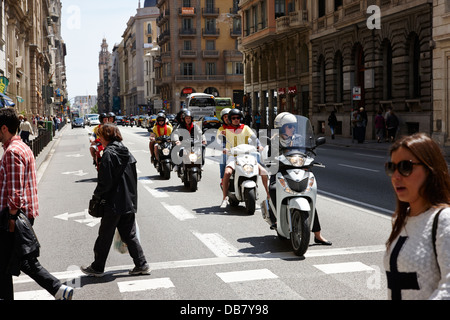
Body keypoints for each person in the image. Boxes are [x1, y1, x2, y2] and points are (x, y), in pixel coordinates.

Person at [0, 108, 73, 300]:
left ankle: (58, 288)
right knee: (11, 262)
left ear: (4, 128)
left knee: (17, 262)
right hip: (22, 215)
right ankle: (58, 289)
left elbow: (15, 191)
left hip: (13, 216)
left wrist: (11, 221)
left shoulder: (12, 152)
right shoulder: (23, 147)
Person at [384, 133, 450, 300]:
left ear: (430, 170)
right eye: (392, 167)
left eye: (405, 167)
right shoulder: (403, 219)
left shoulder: (444, 220)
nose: (396, 176)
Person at [81, 123, 149, 277]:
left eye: (100, 135)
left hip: (113, 202)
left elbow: (105, 182)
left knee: (105, 235)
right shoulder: (126, 151)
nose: (99, 138)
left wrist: (96, 197)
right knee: (129, 234)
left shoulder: (109, 154)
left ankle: (97, 267)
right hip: (127, 200)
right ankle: (142, 264)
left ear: (106, 136)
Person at [268, 112, 331, 245]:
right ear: (281, 127)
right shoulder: (274, 140)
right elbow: (269, 159)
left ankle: (318, 235)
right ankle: (275, 219)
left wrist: (309, 158)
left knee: (309, 195)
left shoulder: (298, 138)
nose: (293, 129)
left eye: (294, 126)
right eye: (290, 126)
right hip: (281, 170)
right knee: (273, 188)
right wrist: (271, 161)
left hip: (298, 169)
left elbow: (307, 151)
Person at [220, 109, 270, 208]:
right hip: (233, 157)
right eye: (233, 118)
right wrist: (224, 148)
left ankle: (268, 196)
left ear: (240, 118)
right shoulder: (226, 130)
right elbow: (223, 142)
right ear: (230, 119)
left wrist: (259, 145)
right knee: (227, 173)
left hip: (247, 156)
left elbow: (255, 138)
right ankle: (224, 197)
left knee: (264, 172)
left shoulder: (245, 128)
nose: (236, 120)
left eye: (238, 118)